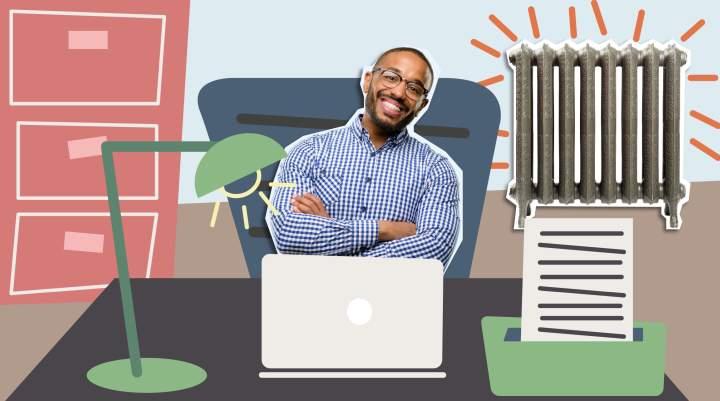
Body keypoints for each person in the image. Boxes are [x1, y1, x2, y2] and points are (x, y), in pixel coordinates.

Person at [266, 47, 460, 267]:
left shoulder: (436, 169)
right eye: (391, 77)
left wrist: (330, 232)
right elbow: (288, 234)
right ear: (368, 80)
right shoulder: (308, 152)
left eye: (413, 88)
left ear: (421, 106)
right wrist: (385, 229)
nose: (398, 92)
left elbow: (434, 247)